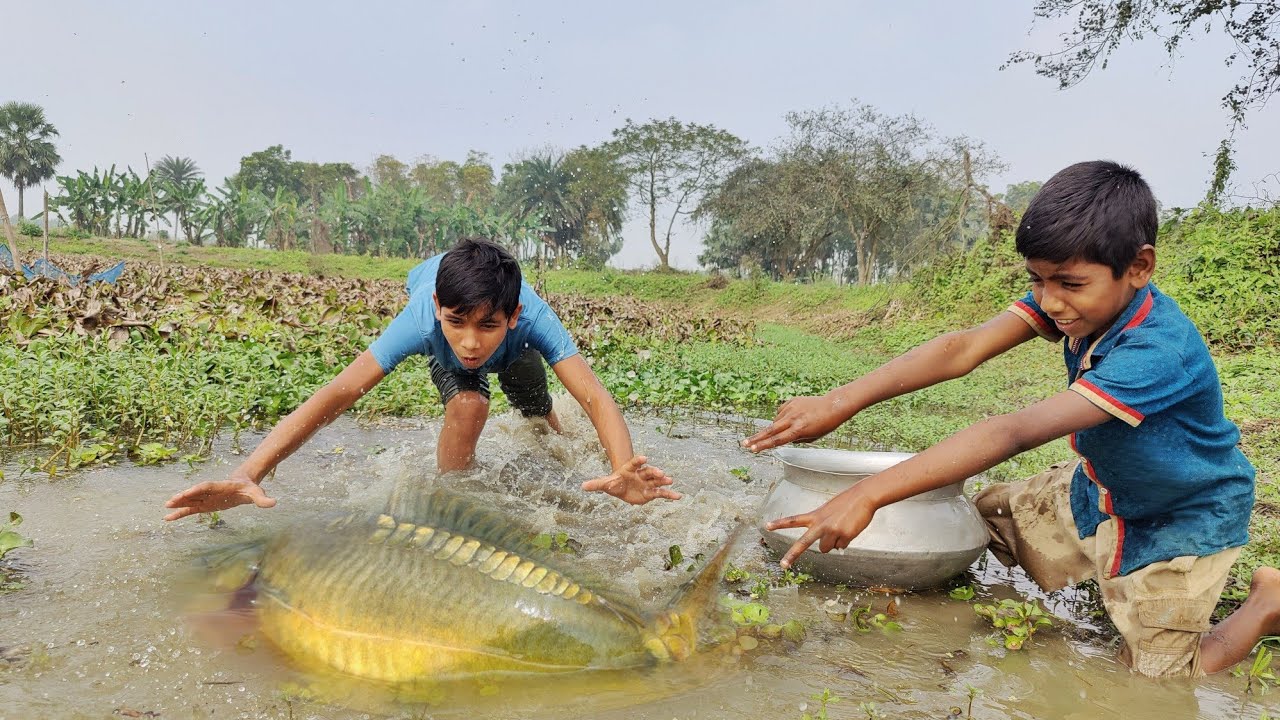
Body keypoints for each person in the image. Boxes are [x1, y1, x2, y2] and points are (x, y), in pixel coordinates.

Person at [743, 160, 1279, 678]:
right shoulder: (1073, 297)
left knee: (1152, 680)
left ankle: (1266, 603)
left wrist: (866, 494)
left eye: (1068, 284)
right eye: (1037, 280)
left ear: (1139, 267)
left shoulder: (1159, 352)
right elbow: (963, 348)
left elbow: (1012, 431)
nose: (1051, 301)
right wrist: (842, 400)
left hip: (1179, 518)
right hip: (1099, 489)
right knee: (981, 522)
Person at [165, 238, 679, 521]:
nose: (473, 343)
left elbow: (592, 395)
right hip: (450, 330)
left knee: (536, 408)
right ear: (438, 309)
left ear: (514, 314)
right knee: (469, 406)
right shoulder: (422, 321)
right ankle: (455, 502)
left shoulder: (534, 323)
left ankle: (557, 440)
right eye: (458, 323)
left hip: (519, 353)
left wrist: (621, 467)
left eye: (488, 326)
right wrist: (249, 471)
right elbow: (338, 393)